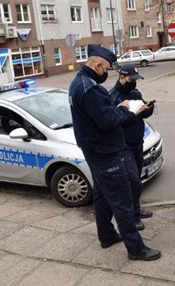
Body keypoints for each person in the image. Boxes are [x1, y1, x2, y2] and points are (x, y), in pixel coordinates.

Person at [68, 44, 161, 261]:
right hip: (106, 151)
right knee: (122, 201)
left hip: (96, 150)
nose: (107, 72)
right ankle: (136, 249)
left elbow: (101, 114)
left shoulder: (79, 83)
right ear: (98, 64)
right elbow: (108, 121)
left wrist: (119, 108)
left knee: (102, 194)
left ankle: (107, 235)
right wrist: (129, 110)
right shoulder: (90, 88)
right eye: (107, 68)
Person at [109, 64, 155, 231]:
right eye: (131, 79)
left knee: (137, 180)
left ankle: (136, 210)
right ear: (122, 77)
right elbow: (114, 121)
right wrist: (130, 113)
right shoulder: (113, 97)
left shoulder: (135, 93)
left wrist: (148, 108)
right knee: (132, 182)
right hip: (123, 145)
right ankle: (131, 217)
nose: (134, 82)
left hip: (137, 142)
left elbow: (143, 113)